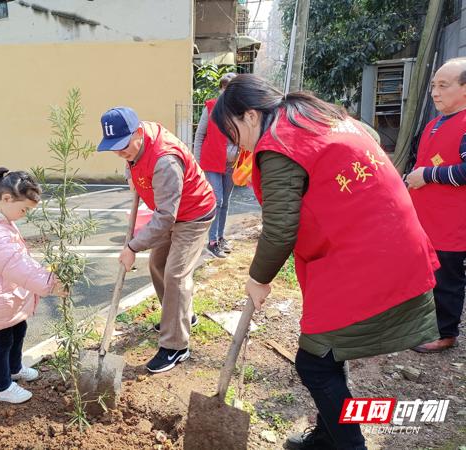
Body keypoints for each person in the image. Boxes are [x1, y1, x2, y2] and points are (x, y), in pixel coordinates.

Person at [212, 75, 440, 450]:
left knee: (314, 363)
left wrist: (258, 278)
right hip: (386, 243)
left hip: (366, 259)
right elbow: (372, 139)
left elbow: (280, 228)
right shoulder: (317, 116)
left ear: (250, 116)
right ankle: (325, 437)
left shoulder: (280, 143)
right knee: (329, 355)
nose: (235, 142)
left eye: (232, 131)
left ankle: (349, 445)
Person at [97, 107, 216, 373]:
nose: (119, 152)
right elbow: (134, 162)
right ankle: (180, 316)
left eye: (123, 146)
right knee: (157, 264)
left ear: (138, 133)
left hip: (194, 214)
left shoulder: (165, 161)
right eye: (113, 147)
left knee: (175, 274)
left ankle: (176, 346)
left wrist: (131, 247)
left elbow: (164, 219)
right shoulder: (137, 140)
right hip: (172, 213)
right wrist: (132, 175)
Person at [0, 168, 66, 403]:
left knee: (19, 329)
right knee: (2, 341)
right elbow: (15, 264)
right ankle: (3, 387)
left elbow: (18, 260)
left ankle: (15, 368)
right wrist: (48, 284)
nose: (24, 214)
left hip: (5, 294)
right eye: (23, 209)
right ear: (6, 199)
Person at [406, 57, 466, 353]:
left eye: (443, 85)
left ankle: (446, 333)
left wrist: (427, 175)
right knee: (426, 275)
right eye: (433, 86)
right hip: (426, 220)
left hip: (452, 225)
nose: (435, 92)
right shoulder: (435, 122)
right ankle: (424, 323)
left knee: (446, 280)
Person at [194, 72, 238, 258]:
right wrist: (196, 163)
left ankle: (220, 237)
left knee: (225, 202)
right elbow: (200, 135)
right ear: (221, 89)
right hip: (211, 162)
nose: (226, 92)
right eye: (224, 87)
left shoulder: (241, 111)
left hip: (231, 164)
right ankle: (212, 242)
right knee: (217, 200)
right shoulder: (211, 108)